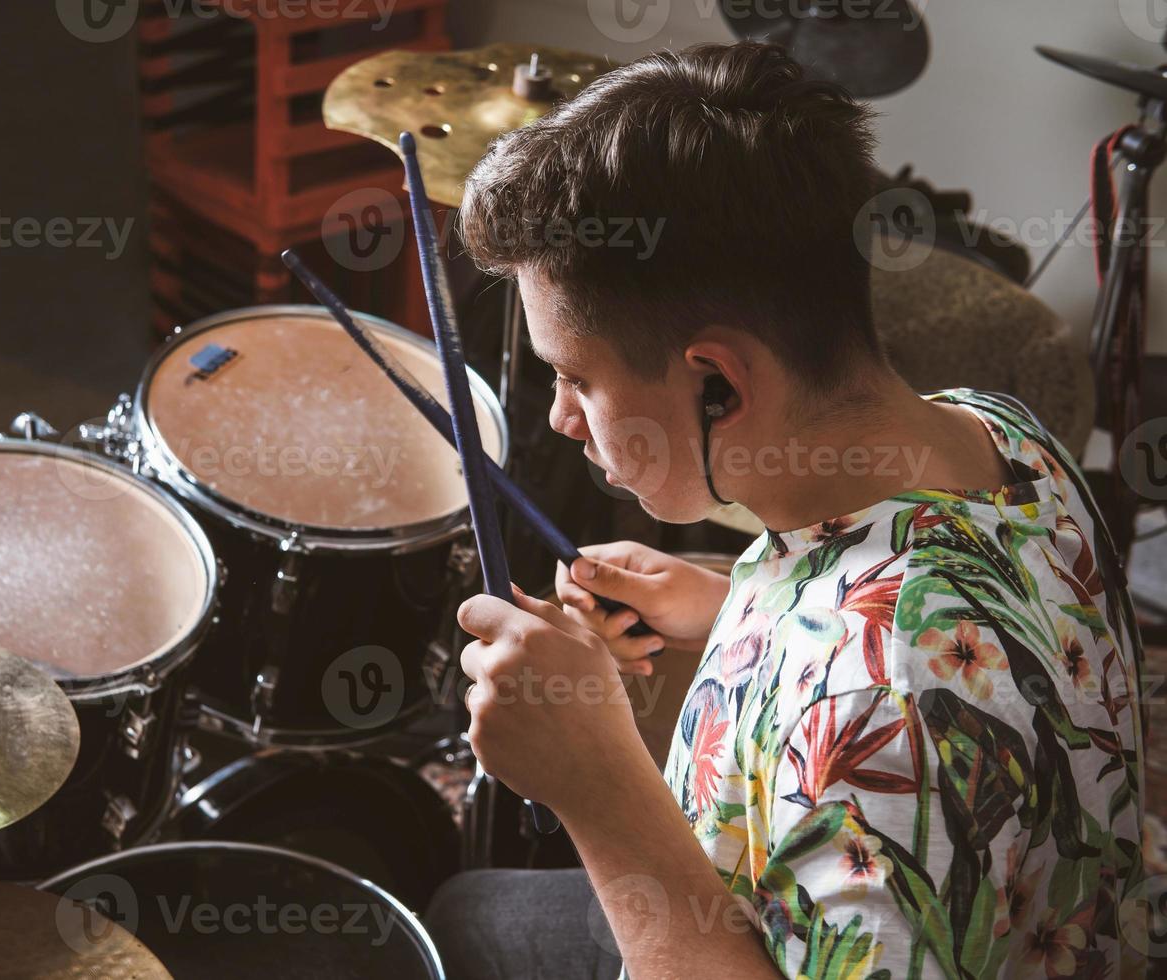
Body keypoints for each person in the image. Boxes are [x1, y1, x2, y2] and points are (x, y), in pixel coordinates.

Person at [423, 41, 1148, 979]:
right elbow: (932, 609)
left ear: (717, 384)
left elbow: (892, 695)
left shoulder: (876, 719)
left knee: (454, 927)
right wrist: (741, 602)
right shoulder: (999, 432)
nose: (560, 418)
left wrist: (595, 789)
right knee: (465, 911)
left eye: (575, 377)